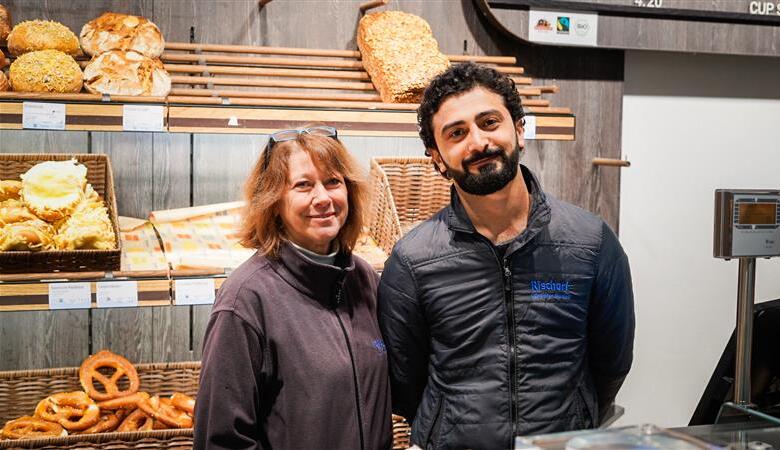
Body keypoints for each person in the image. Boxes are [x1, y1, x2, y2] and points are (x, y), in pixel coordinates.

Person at [377, 63, 635, 450]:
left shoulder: (590, 241)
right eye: (457, 133)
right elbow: (404, 379)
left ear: (518, 129)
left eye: (489, 122)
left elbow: (612, 360)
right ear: (437, 157)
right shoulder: (414, 260)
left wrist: (575, 421)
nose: (478, 142)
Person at [194, 126, 392, 450]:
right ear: (274, 201)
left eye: (333, 182)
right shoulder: (245, 300)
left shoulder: (363, 279)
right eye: (303, 185)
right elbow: (221, 440)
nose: (323, 198)